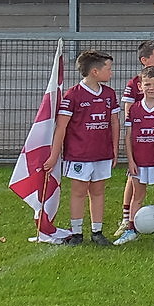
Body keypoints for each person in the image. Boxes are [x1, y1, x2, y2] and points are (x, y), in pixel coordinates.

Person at [46, 51, 120, 246]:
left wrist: (114, 149)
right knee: (78, 192)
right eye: (108, 69)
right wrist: (54, 155)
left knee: (98, 191)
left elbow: (114, 122)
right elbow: (61, 126)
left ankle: (97, 231)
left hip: (101, 153)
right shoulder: (73, 95)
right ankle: (77, 232)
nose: (111, 72)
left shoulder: (109, 94)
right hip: (79, 154)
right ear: (95, 71)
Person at [114, 64, 154, 245]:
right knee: (138, 196)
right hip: (139, 161)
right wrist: (131, 161)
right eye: (147, 84)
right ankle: (131, 230)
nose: (151, 88)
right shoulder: (133, 109)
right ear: (140, 86)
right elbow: (128, 137)